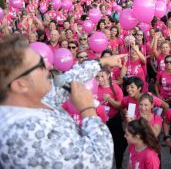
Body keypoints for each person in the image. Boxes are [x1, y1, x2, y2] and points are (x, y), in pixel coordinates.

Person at [0, 34, 122, 167]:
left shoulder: (29, 100)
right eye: (40, 64)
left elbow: (64, 83)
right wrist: (88, 110)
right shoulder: (27, 131)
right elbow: (99, 160)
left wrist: (101, 62)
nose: (48, 65)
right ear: (20, 84)